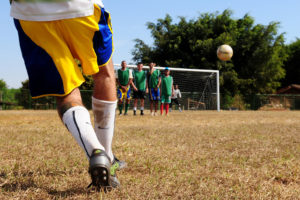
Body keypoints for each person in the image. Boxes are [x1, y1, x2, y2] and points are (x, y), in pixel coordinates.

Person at [10, 0, 125, 190]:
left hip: (30, 12)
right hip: (81, 7)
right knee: (104, 73)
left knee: (66, 93)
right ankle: (108, 156)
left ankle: (95, 152)